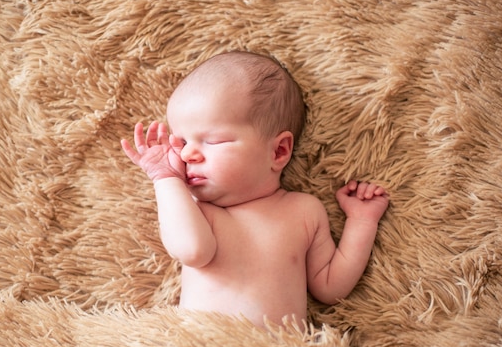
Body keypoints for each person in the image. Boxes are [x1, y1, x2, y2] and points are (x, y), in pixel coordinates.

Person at [121, 51, 389, 328]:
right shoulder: (198, 212)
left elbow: (331, 287)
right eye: (181, 142)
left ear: (278, 151)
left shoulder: (303, 210)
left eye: (213, 141)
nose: (188, 154)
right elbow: (191, 250)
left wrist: (361, 222)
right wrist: (165, 179)